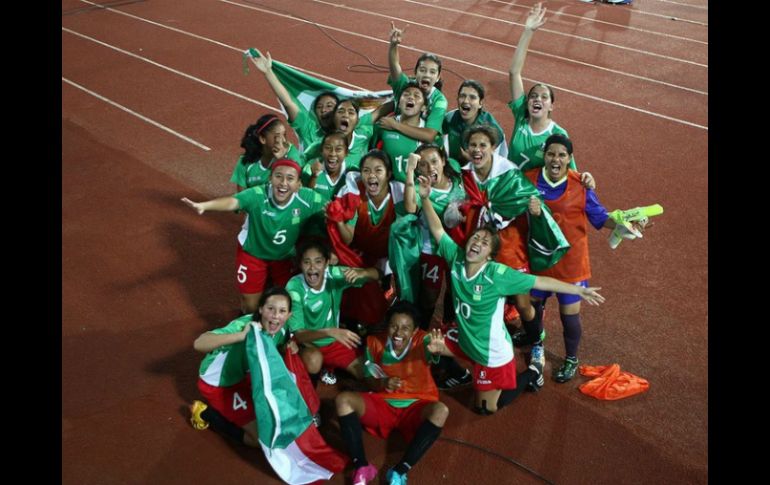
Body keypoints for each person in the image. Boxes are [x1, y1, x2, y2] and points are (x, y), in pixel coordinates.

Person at [418, 176, 605, 414]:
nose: (477, 242)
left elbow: (540, 280)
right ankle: (461, 374)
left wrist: (578, 289)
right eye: (475, 238)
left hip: (491, 353)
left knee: (485, 409)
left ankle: (532, 374)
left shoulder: (497, 275)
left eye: (484, 243)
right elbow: (436, 229)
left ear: (489, 255)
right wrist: (424, 198)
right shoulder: (455, 257)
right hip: (465, 340)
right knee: (426, 343)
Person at [522, 133, 645, 383]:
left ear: (570, 159)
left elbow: (601, 218)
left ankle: (571, 358)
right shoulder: (528, 180)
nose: (556, 159)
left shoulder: (581, 184)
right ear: (544, 156)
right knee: (532, 308)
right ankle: (537, 344)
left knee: (570, 317)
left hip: (572, 264)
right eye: (551, 154)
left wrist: (625, 224)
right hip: (539, 260)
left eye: (562, 155)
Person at [182, 159, 325, 314]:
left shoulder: (308, 199)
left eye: (290, 178)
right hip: (253, 254)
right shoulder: (258, 194)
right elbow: (233, 201)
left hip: (283, 257)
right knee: (251, 306)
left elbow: (332, 209)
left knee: (290, 301)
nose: (283, 183)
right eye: (278, 176)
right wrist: (205, 206)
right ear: (270, 178)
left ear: (298, 185)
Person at [335, 301, 448, 485]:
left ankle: (400, 471)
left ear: (414, 330)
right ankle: (361, 466)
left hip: (416, 405)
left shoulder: (425, 341)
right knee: (342, 400)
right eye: (394, 326)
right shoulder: (373, 342)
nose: (398, 333)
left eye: (405, 328)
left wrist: (440, 350)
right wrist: (383, 382)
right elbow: (369, 378)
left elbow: (445, 348)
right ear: (387, 326)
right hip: (384, 405)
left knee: (441, 411)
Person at [189, 287, 294, 447]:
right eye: (270, 309)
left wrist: (291, 347)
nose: (275, 316)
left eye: (282, 311)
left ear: (288, 315)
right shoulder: (244, 326)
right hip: (219, 384)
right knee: (260, 440)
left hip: (244, 377)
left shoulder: (282, 330)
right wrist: (240, 336)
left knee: (278, 420)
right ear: (261, 309)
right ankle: (206, 413)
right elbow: (199, 343)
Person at [286, 240, 381, 384]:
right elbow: (299, 336)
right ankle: (311, 385)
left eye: (318, 262)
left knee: (369, 377)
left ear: (326, 263)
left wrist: (362, 273)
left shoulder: (334, 275)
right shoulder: (295, 288)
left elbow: (377, 273)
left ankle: (328, 369)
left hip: (334, 342)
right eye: (307, 262)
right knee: (314, 361)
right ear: (300, 264)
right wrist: (329, 332)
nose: (312, 268)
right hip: (307, 344)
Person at [402, 144, 466, 328]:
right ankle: (420, 330)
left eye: (434, 161)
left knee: (455, 289)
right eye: (423, 165)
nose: (430, 168)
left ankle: (448, 324)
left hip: (459, 247)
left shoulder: (456, 173)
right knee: (429, 297)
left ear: (444, 161)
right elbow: (409, 208)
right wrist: (409, 171)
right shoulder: (420, 187)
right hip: (432, 251)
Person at [508, 3, 576, 171]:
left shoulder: (558, 135)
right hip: (509, 187)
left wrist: (586, 180)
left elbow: (570, 171)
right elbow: (514, 72)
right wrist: (528, 31)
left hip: (533, 195)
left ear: (551, 106)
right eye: (533, 96)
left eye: (544, 97)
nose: (537, 98)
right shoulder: (521, 117)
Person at [250, 51, 338, 151]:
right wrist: (268, 72)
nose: (323, 109)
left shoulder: (349, 133)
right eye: (319, 107)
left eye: (329, 105)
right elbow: (288, 103)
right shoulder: (308, 129)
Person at [387, 22, 447, 144]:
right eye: (423, 70)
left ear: (437, 77)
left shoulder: (439, 101)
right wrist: (393, 45)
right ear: (415, 72)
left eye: (432, 72)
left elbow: (429, 135)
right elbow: (395, 67)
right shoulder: (406, 87)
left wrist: (395, 125)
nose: (426, 75)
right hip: (399, 138)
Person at [230, 114, 304, 191]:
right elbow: (241, 197)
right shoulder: (246, 162)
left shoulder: (291, 153)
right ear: (262, 139)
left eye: (284, 135)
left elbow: (297, 190)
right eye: (277, 136)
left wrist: (282, 160)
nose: (283, 140)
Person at [372, 82, 429, 182]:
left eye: (416, 96)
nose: (411, 97)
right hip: (387, 187)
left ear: (424, 107)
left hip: (415, 191)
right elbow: (370, 151)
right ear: (398, 104)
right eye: (406, 94)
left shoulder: (427, 131)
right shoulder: (385, 124)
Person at [442, 79, 507, 165]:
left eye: (472, 97)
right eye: (462, 96)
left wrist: (470, 159)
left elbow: (494, 164)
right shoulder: (450, 118)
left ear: (480, 103)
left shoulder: (492, 130)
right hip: (455, 169)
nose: (466, 101)